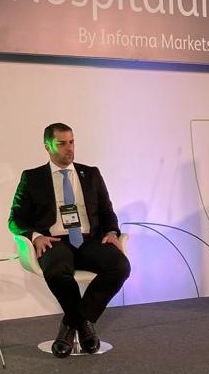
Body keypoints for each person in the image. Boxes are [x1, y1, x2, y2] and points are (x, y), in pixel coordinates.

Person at [8, 122, 130, 358]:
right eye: (62, 143)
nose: (69, 148)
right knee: (56, 270)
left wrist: (112, 232)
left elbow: (107, 211)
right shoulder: (33, 178)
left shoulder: (91, 174)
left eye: (72, 142)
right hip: (54, 240)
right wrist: (36, 236)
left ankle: (72, 323)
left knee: (120, 266)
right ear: (47, 146)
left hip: (88, 239)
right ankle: (84, 327)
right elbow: (15, 219)